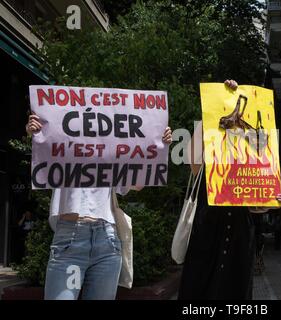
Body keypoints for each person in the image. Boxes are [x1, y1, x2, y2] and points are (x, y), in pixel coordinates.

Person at [26, 114, 172, 300]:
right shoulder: (64, 144)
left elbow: (137, 183)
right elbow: (44, 152)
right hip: (71, 241)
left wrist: (158, 146)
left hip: (107, 241)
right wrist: (37, 133)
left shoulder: (112, 152)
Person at [178, 80, 281, 300]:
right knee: (200, 291)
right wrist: (212, 105)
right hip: (207, 230)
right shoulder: (210, 151)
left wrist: (270, 200)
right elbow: (192, 161)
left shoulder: (253, 156)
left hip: (240, 236)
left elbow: (256, 208)